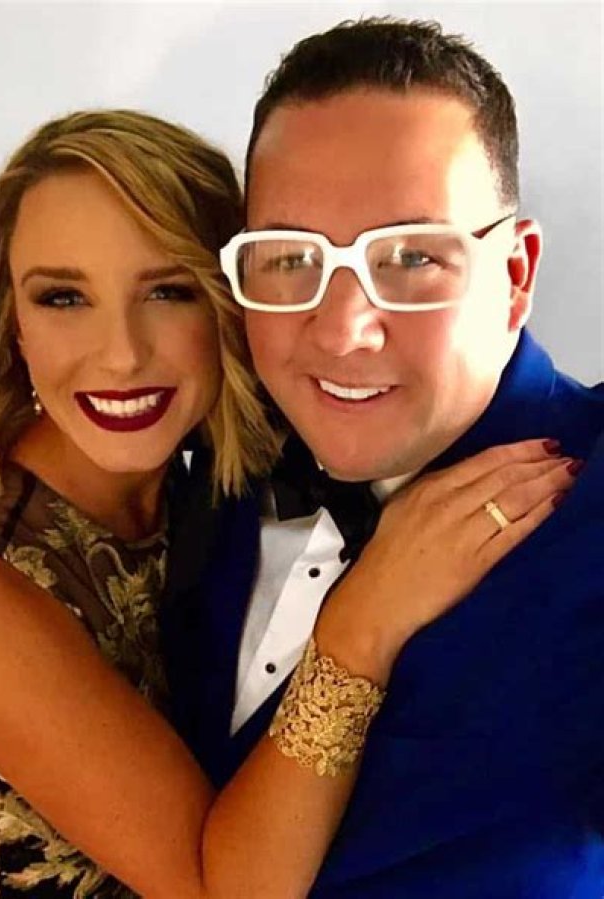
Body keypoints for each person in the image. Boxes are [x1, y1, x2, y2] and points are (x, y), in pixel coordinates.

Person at [0, 108, 570, 898]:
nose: (122, 354)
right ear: (12, 322)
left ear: (238, 302)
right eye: (63, 298)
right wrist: (364, 620)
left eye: (168, 290)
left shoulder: (236, 456)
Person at [160, 17, 604, 898]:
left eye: (411, 256)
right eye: (291, 258)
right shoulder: (207, 453)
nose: (341, 330)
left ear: (515, 276)